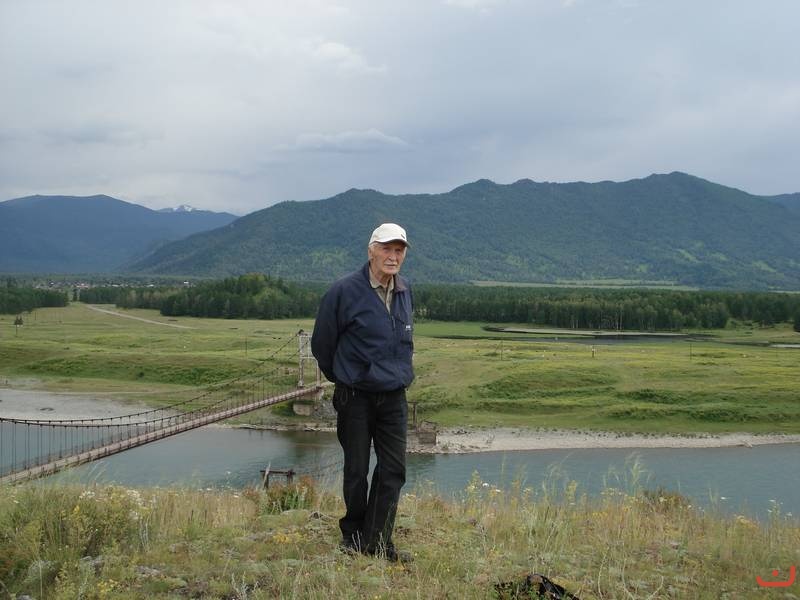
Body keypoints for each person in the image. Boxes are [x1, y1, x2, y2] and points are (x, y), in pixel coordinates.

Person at [311, 223, 414, 563]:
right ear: (371, 251)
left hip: (394, 395)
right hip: (355, 395)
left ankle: (378, 541)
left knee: (394, 470)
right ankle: (353, 536)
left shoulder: (404, 290)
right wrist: (345, 377)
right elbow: (322, 344)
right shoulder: (343, 291)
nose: (393, 256)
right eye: (386, 248)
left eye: (399, 250)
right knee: (356, 470)